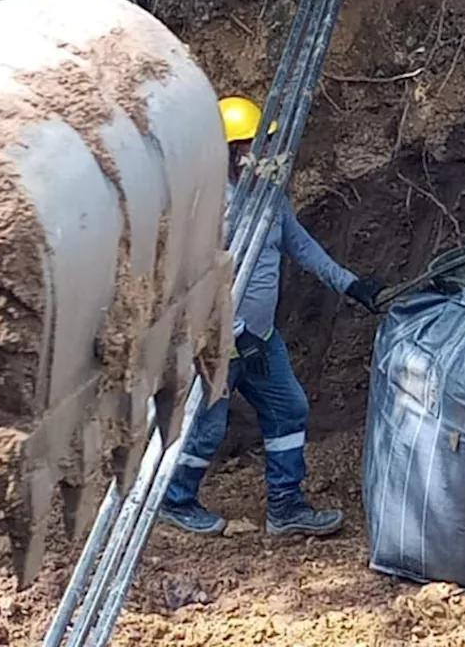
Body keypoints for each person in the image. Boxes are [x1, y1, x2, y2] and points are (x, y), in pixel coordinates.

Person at [158, 95, 385, 537]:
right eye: (252, 146)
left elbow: (300, 245)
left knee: (289, 409)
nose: (262, 153)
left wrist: (351, 284)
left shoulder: (268, 197)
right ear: (226, 151)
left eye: (265, 144)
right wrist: (238, 337)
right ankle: (175, 499)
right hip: (214, 340)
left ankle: (286, 505)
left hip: (260, 337)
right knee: (207, 428)